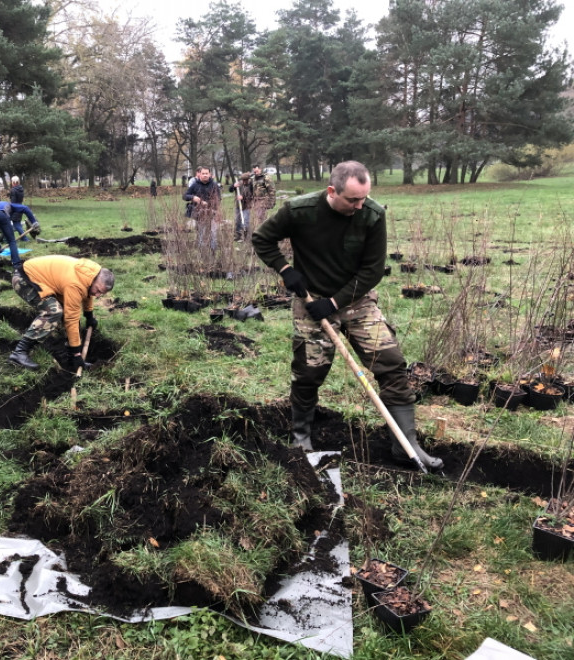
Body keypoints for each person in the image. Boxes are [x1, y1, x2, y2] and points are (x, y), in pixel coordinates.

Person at [251, 160, 442, 470]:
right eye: (352, 199)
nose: (359, 204)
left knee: (391, 363)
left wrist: (336, 302)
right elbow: (262, 239)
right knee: (309, 372)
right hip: (310, 302)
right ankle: (301, 437)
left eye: (363, 197)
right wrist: (286, 271)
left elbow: (372, 270)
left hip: (356, 301)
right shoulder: (299, 211)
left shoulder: (372, 215)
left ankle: (406, 444)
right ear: (331, 191)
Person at [8, 255, 114, 370]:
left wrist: (89, 315)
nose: (97, 295)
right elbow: (71, 319)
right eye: (98, 290)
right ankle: (19, 352)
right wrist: (77, 353)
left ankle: (71, 359)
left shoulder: (91, 274)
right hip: (25, 280)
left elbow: (87, 292)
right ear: (94, 280)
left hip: (44, 281)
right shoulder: (75, 284)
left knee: (70, 313)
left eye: (101, 293)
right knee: (54, 311)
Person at [0, 200, 40, 268]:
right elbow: (25, 208)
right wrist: (34, 222)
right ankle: (16, 264)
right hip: (1, 214)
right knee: (11, 241)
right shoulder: (11, 205)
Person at [183, 166, 222, 252]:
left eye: (206, 173)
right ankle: (202, 253)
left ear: (210, 174)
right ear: (199, 174)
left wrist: (209, 203)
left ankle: (213, 252)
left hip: (213, 212)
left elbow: (219, 199)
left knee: (213, 233)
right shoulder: (194, 185)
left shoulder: (214, 185)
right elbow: (185, 196)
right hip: (200, 213)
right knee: (201, 233)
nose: (205, 175)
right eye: (203, 173)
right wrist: (193, 197)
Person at [230, 172, 254, 241]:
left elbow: (253, 195)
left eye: (245, 180)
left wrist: (243, 197)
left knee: (245, 221)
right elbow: (230, 190)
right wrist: (233, 186)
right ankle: (238, 236)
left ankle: (246, 236)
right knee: (238, 221)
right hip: (238, 206)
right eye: (243, 180)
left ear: (248, 179)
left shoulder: (251, 185)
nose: (244, 182)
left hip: (247, 206)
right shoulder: (238, 183)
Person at [7, 176, 30, 242]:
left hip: (15, 209)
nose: (11, 183)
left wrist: (10, 208)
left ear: (14, 182)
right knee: (18, 223)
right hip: (20, 207)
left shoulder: (13, 190)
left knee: (16, 224)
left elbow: (13, 202)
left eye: (12, 181)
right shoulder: (21, 189)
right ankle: (22, 238)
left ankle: (25, 238)